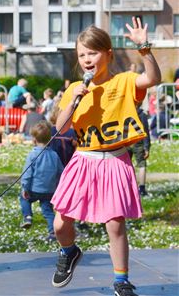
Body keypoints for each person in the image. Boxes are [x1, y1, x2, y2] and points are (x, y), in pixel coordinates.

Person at [50, 19, 161, 296]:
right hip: (83, 160)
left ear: (108, 54)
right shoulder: (76, 89)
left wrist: (144, 49)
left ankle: (121, 281)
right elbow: (60, 129)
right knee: (61, 223)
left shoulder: (124, 82)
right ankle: (69, 251)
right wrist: (73, 99)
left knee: (115, 223)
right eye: (82, 55)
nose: (87, 59)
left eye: (93, 52)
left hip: (115, 160)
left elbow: (153, 79)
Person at [19, 120, 64, 240]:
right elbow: (61, 172)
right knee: (48, 211)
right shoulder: (54, 155)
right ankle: (52, 232)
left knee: (24, 199)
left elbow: (27, 173)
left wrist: (25, 187)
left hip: (35, 189)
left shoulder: (33, 155)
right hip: (49, 190)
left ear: (34, 139)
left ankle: (27, 216)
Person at [127, 105, 150, 196]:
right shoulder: (142, 114)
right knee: (141, 165)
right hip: (138, 141)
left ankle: (128, 187)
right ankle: (142, 189)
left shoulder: (125, 112)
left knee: (126, 165)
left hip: (126, 141)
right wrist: (147, 147)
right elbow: (145, 131)